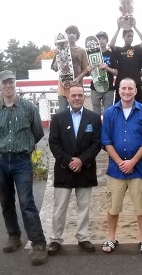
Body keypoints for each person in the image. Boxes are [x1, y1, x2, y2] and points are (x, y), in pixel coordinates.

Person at [0, 70, 48, 266]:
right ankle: (14, 236)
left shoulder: (29, 108)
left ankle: (38, 244)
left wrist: (25, 147)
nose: (8, 86)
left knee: (26, 202)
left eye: (11, 82)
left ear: (15, 85)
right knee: (6, 202)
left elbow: (37, 132)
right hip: (1, 161)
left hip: (22, 161)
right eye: (5, 83)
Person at [101, 78, 142, 254]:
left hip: (138, 169)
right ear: (119, 90)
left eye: (130, 88)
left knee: (141, 207)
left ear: (135, 91)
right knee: (113, 207)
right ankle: (111, 238)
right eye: (123, 88)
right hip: (115, 170)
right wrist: (119, 162)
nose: (126, 91)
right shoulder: (109, 112)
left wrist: (132, 161)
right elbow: (106, 141)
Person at [48, 85, 102, 255]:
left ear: (84, 97)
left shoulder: (93, 118)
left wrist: (82, 160)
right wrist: (68, 161)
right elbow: (54, 143)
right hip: (64, 168)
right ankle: (56, 239)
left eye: (80, 95)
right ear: (68, 97)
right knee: (59, 208)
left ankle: (83, 237)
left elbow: (97, 143)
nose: (77, 98)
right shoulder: (58, 118)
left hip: (85, 169)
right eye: (74, 95)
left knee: (84, 207)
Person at [51, 25, 89, 112]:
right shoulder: (59, 49)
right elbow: (56, 68)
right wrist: (58, 54)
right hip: (63, 88)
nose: (71, 35)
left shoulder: (81, 51)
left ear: (77, 36)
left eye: (74, 33)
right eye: (69, 33)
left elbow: (85, 69)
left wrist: (78, 79)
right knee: (62, 113)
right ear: (66, 36)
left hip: (77, 87)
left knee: (78, 112)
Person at [110, 17, 142, 104]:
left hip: (135, 83)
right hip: (121, 84)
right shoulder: (120, 50)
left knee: (139, 107)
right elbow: (111, 45)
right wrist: (118, 29)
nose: (130, 38)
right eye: (128, 36)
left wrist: (135, 27)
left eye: (131, 36)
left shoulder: (136, 49)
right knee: (120, 107)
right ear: (123, 37)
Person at [88, 31, 118, 114]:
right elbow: (87, 72)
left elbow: (117, 73)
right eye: (99, 39)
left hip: (108, 88)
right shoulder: (91, 54)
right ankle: (97, 127)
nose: (101, 41)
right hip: (95, 86)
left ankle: (106, 127)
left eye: (103, 38)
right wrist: (89, 70)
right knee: (95, 112)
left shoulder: (111, 55)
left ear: (107, 40)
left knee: (108, 112)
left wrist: (107, 68)